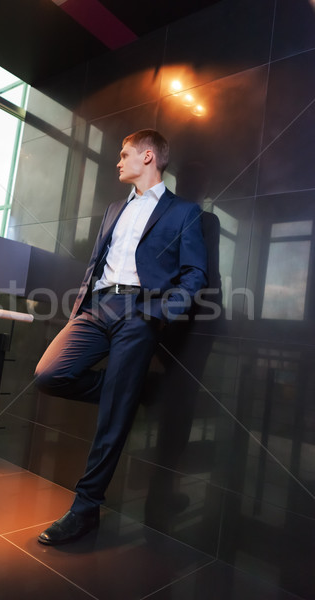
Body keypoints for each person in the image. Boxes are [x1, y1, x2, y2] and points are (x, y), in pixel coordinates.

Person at [34, 129, 208, 545]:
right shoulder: (115, 208)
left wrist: (159, 314)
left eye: (125, 154)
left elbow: (196, 273)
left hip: (140, 312)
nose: (118, 160)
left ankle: (85, 508)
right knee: (49, 373)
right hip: (97, 309)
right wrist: (81, 309)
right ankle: (136, 391)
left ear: (148, 157)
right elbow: (96, 263)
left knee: (113, 416)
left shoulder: (183, 212)